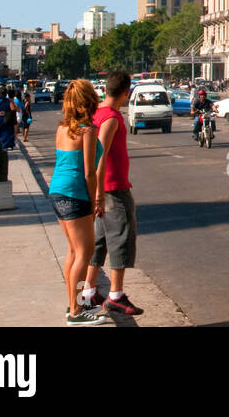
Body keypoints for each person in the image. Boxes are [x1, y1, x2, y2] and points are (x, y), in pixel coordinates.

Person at [48, 80, 107, 326]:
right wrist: (96, 199)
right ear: (89, 101)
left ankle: (72, 304)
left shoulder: (63, 128)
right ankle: (76, 312)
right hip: (75, 192)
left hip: (57, 190)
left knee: (73, 252)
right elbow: (88, 173)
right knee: (85, 251)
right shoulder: (87, 130)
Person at [84, 71, 143, 317]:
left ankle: (88, 291)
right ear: (126, 92)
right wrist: (98, 193)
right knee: (121, 237)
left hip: (103, 188)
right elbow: (101, 156)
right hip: (113, 188)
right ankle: (116, 295)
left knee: (99, 241)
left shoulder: (97, 113)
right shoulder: (111, 118)